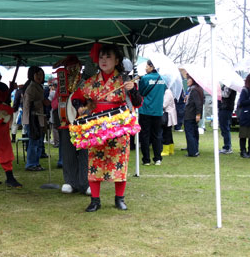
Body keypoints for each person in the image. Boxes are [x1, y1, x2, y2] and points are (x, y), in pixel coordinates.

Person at [71, 44, 136, 212]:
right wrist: (79, 105)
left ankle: (119, 198)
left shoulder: (124, 81)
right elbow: (77, 97)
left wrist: (133, 91)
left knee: (119, 162)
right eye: (101, 57)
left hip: (118, 127)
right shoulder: (91, 82)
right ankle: (95, 200)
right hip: (96, 128)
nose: (104, 60)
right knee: (95, 163)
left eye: (108, 57)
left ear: (116, 60)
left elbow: (137, 102)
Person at [52, 55, 90, 195]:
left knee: (84, 152)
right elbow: (55, 102)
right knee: (68, 154)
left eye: (76, 67)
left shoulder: (84, 81)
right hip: (66, 123)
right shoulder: (62, 82)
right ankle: (70, 182)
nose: (73, 69)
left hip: (82, 123)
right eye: (70, 67)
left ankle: (85, 183)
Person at [138, 59, 167, 165]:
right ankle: (158, 158)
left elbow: (140, 92)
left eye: (147, 66)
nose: (145, 68)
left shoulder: (145, 78)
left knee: (145, 135)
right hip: (158, 111)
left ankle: (146, 159)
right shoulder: (164, 79)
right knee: (157, 135)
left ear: (152, 66)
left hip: (145, 110)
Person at [22, 66, 50, 171]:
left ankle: (35, 163)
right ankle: (31, 164)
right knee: (34, 142)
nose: (39, 76)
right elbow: (27, 105)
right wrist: (42, 102)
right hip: (32, 119)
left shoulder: (38, 86)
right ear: (32, 75)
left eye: (41, 74)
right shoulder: (31, 87)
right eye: (37, 74)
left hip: (39, 118)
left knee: (38, 142)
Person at [183, 74, 204, 157]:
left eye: (189, 79)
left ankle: (192, 151)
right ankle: (194, 150)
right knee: (194, 133)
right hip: (191, 114)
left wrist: (198, 114)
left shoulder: (194, 90)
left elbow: (198, 103)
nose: (187, 81)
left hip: (190, 115)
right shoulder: (195, 89)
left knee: (190, 133)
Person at [218, 85, 236, 154]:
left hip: (226, 108)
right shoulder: (227, 85)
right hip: (225, 108)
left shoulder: (229, 86)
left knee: (225, 128)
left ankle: (227, 147)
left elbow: (225, 95)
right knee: (224, 128)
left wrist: (218, 91)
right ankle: (227, 146)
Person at [161, 88, 177, 156]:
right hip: (168, 114)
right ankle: (171, 149)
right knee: (168, 133)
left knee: (166, 132)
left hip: (167, 114)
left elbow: (164, 104)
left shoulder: (167, 92)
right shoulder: (168, 91)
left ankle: (166, 150)